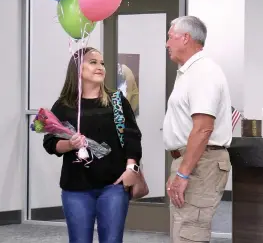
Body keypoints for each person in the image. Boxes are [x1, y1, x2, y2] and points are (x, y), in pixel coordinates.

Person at [43, 47, 142, 243]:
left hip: (114, 186)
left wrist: (132, 169)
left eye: (102, 63)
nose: (100, 67)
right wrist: (70, 144)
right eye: (93, 62)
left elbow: (132, 136)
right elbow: (50, 143)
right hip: (76, 189)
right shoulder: (63, 105)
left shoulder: (116, 100)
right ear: (77, 69)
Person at [163, 16, 232, 243]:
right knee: (182, 230)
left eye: (170, 37)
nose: (167, 44)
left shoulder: (203, 72)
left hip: (200, 164)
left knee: (189, 235)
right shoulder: (189, 72)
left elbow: (203, 129)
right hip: (191, 162)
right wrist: (178, 169)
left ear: (185, 38)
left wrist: (183, 173)